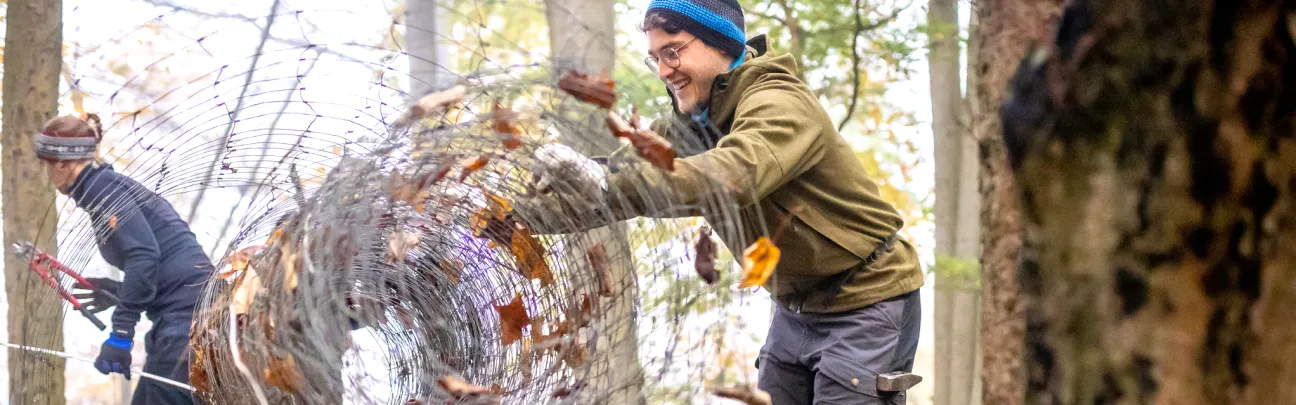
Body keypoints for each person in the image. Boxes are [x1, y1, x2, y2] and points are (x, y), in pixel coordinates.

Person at [526, 0, 925, 403]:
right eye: (655, 58)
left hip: (868, 302)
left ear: (720, 42)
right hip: (794, 308)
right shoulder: (692, 122)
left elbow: (734, 173)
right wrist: (518, 216)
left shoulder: (779, 102)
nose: (664, 71)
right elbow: (620, 183)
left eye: (673, 51)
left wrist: (604, 186)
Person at [37, 114, 211, 405]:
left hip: (187, 320)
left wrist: (121, 335)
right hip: (184, 316)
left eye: (46, 165)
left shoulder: (101, 189)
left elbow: (144, 255)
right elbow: (160, 256)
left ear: (63, 163)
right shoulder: (106, 186)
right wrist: (118, 292)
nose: (45, 174)